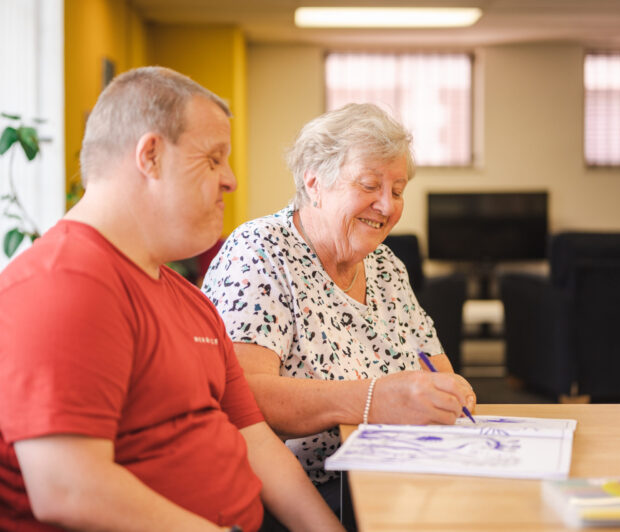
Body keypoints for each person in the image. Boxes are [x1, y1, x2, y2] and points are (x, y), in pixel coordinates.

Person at [0, 66, 343, 532]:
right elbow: (69, 489)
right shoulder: (59, 288)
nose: (230, 180)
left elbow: (256, 442)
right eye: (214, 159)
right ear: (150, 156)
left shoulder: (186, 299)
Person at [201, 103, 477, 524]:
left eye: (398, 190)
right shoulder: (260, 252)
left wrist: (450, 392)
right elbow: (243, 396)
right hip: (306, 491)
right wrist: (373, 400)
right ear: (315, 182)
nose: (386, 206)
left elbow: (437, 370)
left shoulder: (386, 266)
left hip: (397, 478)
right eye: (369, 185)